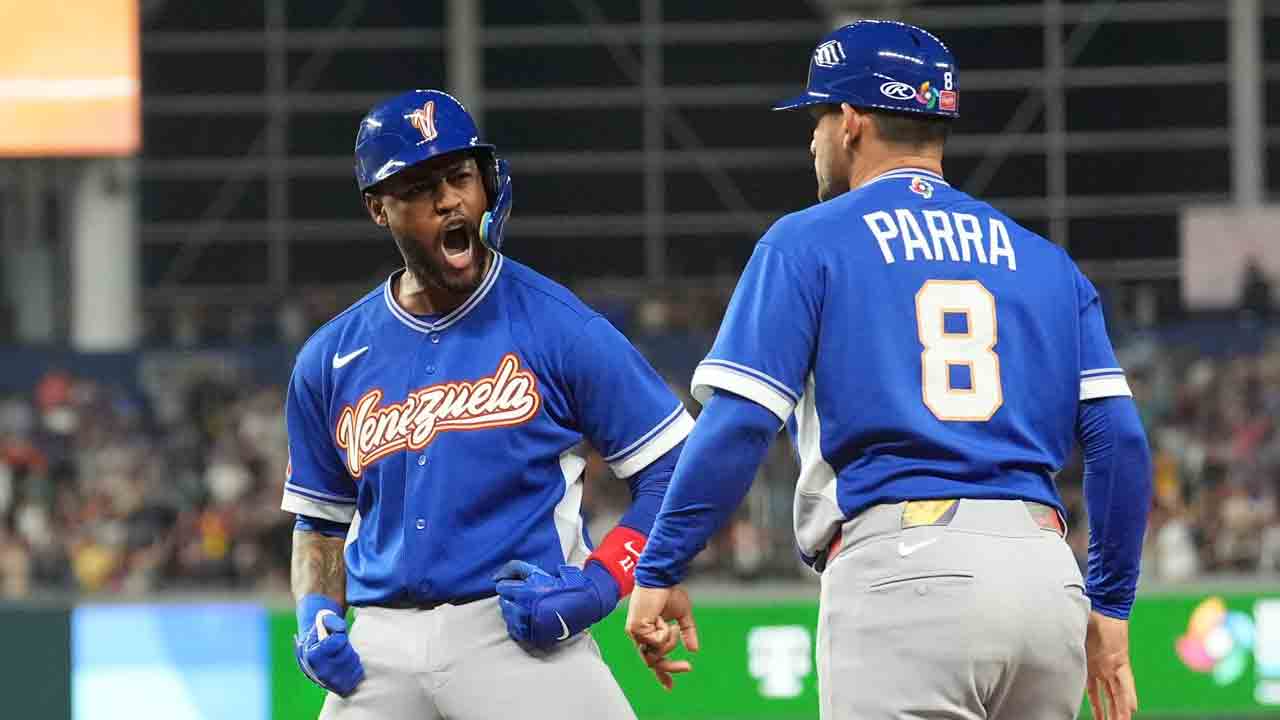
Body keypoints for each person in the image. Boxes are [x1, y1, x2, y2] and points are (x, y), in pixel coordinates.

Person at [624, 20, 1152, 720]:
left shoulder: (806, 242)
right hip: (1043, 576)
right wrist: (1109, 606)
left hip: (905, 572)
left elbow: (739, 427)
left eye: (816, 119)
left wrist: (660, 564)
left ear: (851, 121)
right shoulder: (1046, 262)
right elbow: (1122, 442)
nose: (812, 140)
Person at [283, 89, 693, 719]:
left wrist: (602, 581)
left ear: (487, 183)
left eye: (460, 177)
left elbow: (678, 469)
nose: (448, 199)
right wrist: (314, 613)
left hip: (515, 631)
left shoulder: (560, 326)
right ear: (378, 208)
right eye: (421, 187)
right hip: (379, 644)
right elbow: (319, 524)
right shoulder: (329, 357)